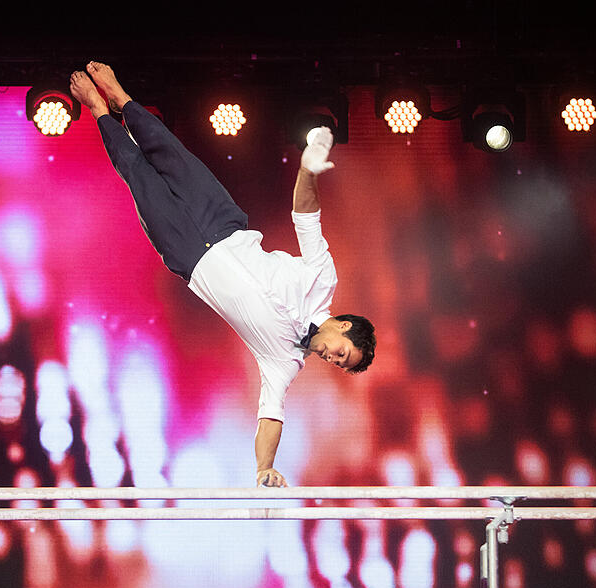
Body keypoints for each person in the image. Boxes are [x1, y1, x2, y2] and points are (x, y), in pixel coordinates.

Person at [70, 62, 376, 487]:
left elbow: (271, 419)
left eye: (339, 365)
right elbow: (305, 216)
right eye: (342, 353)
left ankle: (98, 111)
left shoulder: (283, 363)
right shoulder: (323, 280)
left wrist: (263, 468)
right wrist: (307, 172)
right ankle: (120, 98)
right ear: (344, 326)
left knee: (138, 175)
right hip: (225, 224)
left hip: (188, 253)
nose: (331, 359)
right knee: (170, 154)